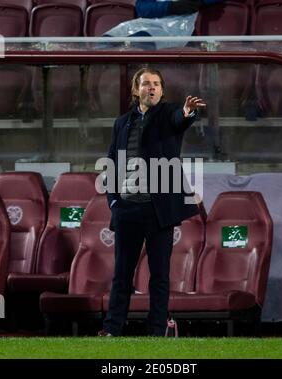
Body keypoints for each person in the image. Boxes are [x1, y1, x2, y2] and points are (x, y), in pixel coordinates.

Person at [98, 67, 206, 337]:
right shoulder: (121, 123)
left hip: (158, 211)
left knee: (159, 275)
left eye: (157, 84)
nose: (152, 88)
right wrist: (113, 203)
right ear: (136, 90)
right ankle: (112, 329)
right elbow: (111, 163)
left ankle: (157, 331)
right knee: (121, 275)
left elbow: (180, 119)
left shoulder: (168, 114)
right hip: (127, 209)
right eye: (147, 84)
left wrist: (187, 112)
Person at [104, 0, 226, 49]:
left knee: (140, 40)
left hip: (176, 28)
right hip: (146, 22)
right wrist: (170, 6)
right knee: (107, 39)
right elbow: (142, 8)